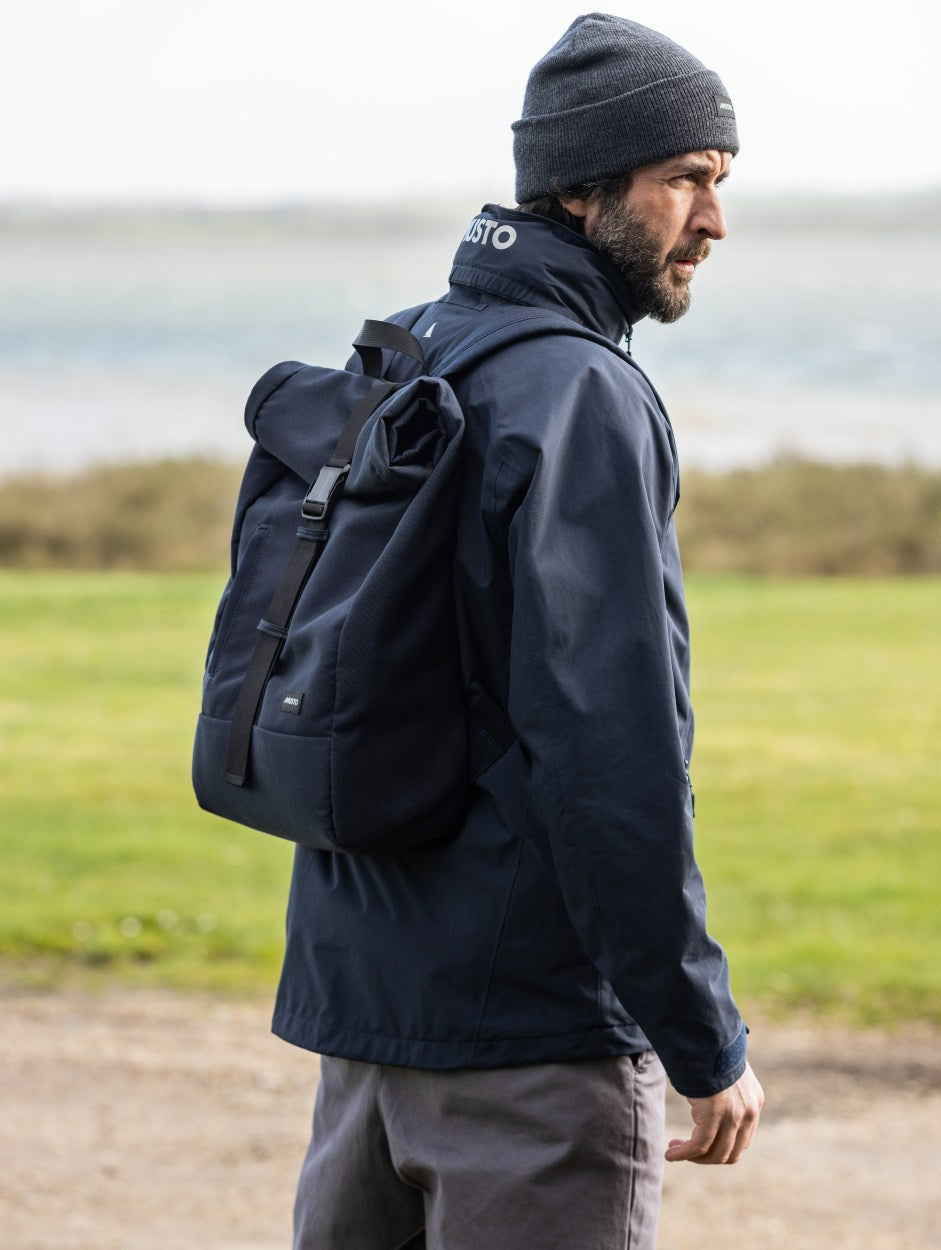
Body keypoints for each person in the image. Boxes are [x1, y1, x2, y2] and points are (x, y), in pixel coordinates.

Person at [280, 13, 763, 1249]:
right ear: (580, 186)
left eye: (718, 182)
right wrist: (702, 1039)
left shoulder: (411, 347)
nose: (713, 221)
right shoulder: (580, 392)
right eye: (687, 181)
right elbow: (612, 754)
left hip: (365, 1029)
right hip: (530, 1050)